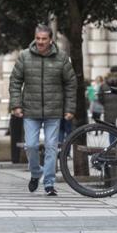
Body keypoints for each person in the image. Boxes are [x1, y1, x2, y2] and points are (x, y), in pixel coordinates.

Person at [9, 24, 76, 197]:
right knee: (30, 145)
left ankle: (49, 183)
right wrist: (16, 105)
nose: (40, 42)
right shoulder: (24, 56)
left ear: (50, 40)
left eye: (44, 39)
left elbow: (70, 84)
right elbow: (15, 81)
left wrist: (69, 109)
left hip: (54, 111)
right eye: (37, 38)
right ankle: (36, 172)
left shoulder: (62, 58)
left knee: (51, 147)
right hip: (30, 110)